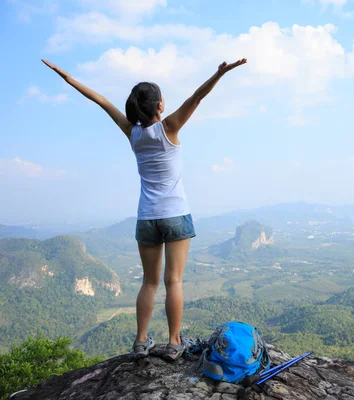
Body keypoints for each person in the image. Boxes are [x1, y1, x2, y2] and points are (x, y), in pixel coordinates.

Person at [42, 57, 247, 361]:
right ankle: (174, 342)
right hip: (175, 214)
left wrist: (68, 77)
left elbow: (101, 101)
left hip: (146, 218)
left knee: (149, 282)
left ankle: (141, 342)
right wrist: (220, 73)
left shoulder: (132, 133)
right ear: (159, 106)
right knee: (173, 281)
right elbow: (197, 97)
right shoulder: (170, 127)